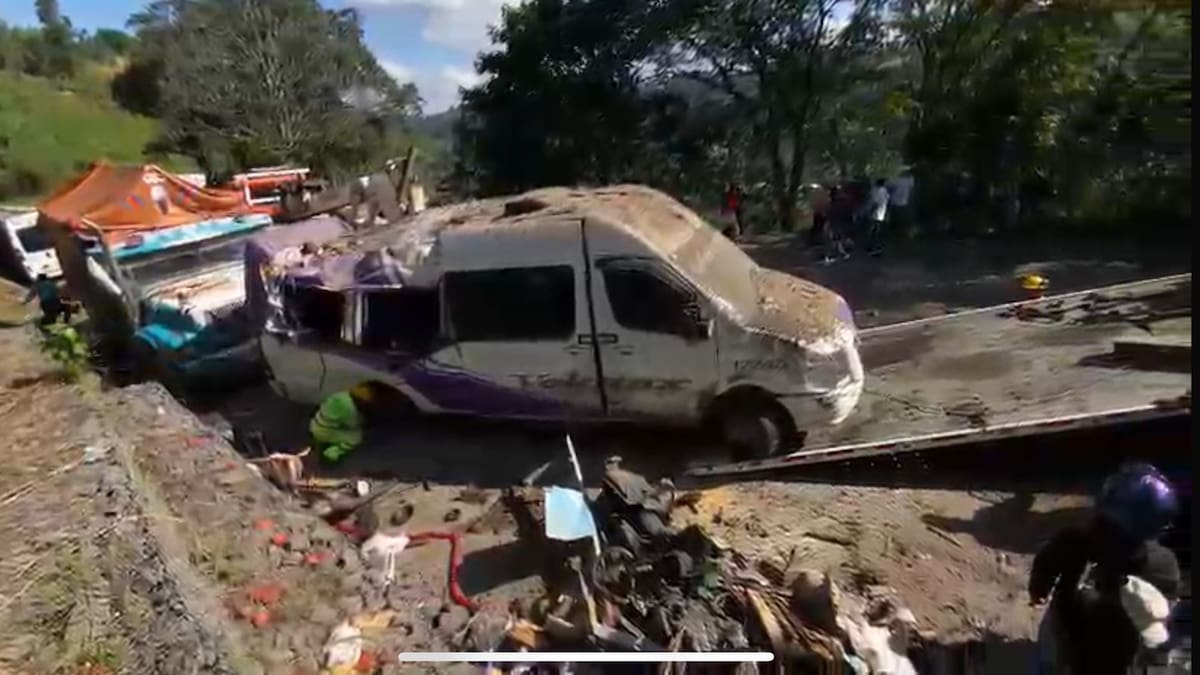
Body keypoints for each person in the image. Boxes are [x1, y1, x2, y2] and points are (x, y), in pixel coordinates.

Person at [1029, 462, 1181, 675]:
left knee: (1049, 656)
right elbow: (1161, 622)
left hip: (1073, 639)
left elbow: (1045, 566)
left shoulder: (1074, 541)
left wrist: (1039, 590)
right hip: (1115, 653)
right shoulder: (1163, 565)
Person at [310, 382, 378, 464]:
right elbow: (353, 425)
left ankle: (318, 441)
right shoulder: (351, 409)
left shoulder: (342, 395)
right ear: (361, 401)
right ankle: (330, 454)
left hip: (314, 424)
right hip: (325, 432)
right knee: (356, 437)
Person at [864, 179, 890, 255]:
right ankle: (876, 247)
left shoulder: (875, 191)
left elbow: (873, 203)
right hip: (881, 214)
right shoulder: (884, 190)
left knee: (872, 231)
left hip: (875, 214)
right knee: (877, 231)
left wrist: (868, 211)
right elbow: (887, 201)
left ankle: (872, 247)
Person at [887, 168, 915, 233]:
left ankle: (893, 230)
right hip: (904, 202)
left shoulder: (896, 180)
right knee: (901, 218)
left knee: (894, 217)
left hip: (895, 202)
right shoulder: (909, 181)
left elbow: (887, 185)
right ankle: (899, 230)